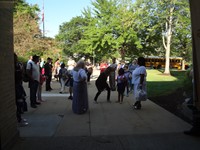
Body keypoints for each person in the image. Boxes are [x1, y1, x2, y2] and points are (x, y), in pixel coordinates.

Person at [14, 53, 28, 126]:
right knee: (19, 102)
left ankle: (19, 117)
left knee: (20, 102)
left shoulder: (17, 65)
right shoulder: (14, 67)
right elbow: (19, 75)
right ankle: (18, 119)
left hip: (19, 85)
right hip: (16, 86)